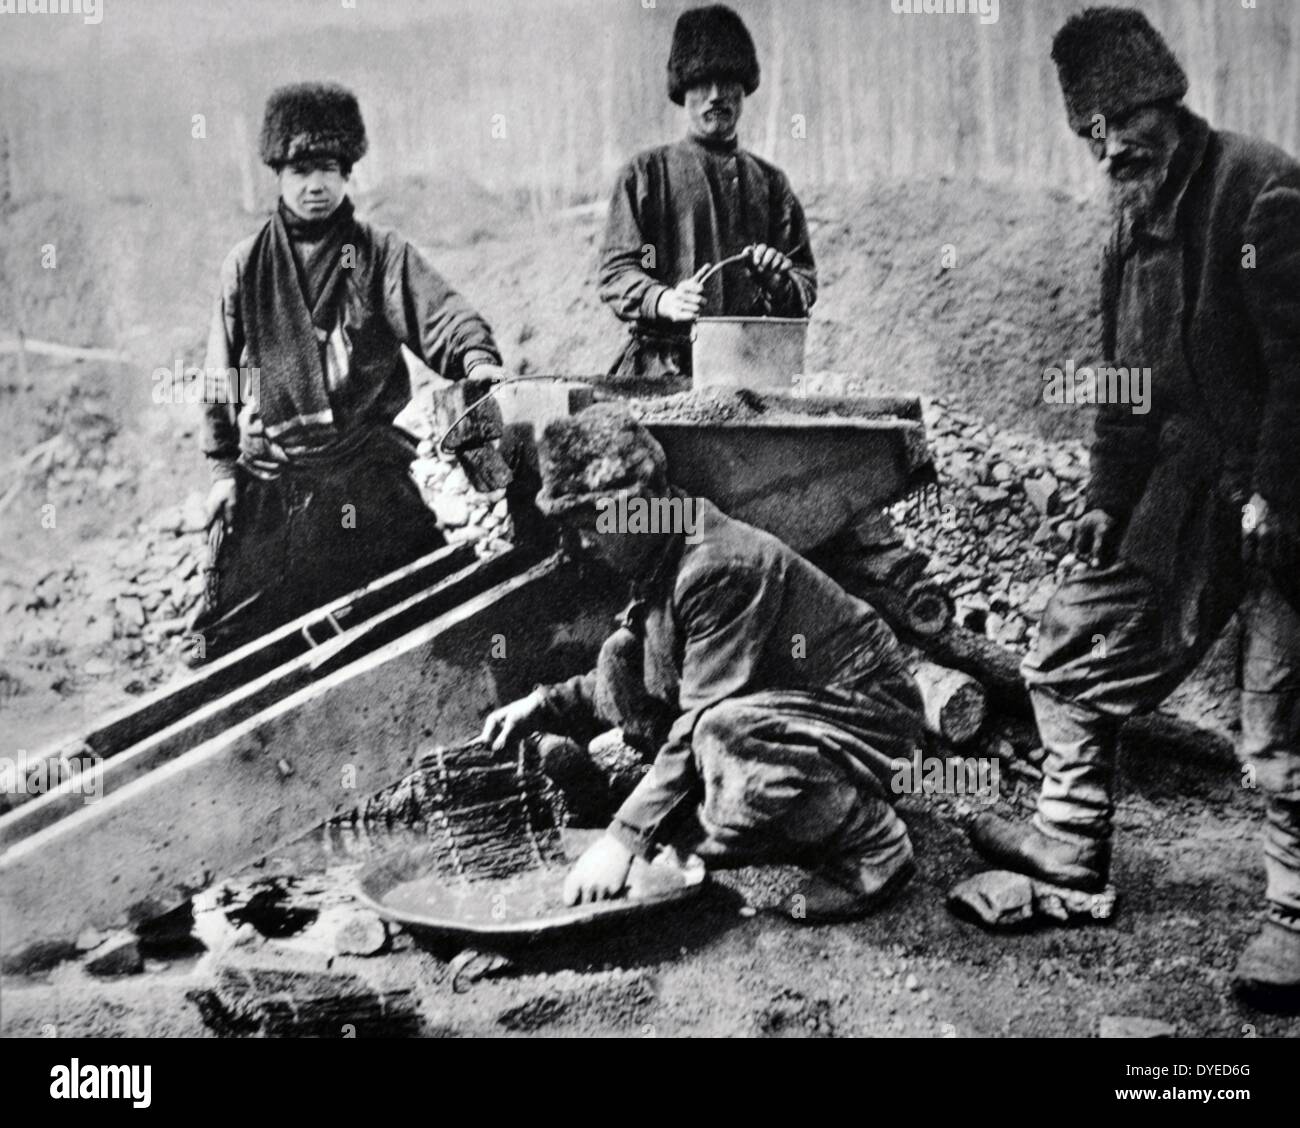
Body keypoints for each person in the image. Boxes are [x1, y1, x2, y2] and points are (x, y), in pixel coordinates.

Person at [963, 7, 1300, 1011]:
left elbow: (1299, 369)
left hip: (1285, 492)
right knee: (1069, 644)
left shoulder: (1261, 186)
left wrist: (1278, 493)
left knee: (1279, 712)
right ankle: (1067, 847)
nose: (1112, 146)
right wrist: (1106, 504)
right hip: (1185, 495)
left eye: (1124, 119)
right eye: (1091, 133)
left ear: (1166, 101)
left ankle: (1293, 913)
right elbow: (1121, 387)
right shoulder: (1124, 228)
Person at [481, 405, 925, 921]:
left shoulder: (719, 565)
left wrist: (623, 841)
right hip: (794, 707)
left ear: (638, 507)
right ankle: (725, 809)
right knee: (620, 655)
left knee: (720, 732)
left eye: (590, 524)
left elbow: (698, 718)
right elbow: (654, 668)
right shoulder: (663, 545)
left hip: (868, 713)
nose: (580, 542)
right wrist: (542, 705)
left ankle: (872, 842)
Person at [192, 82, 506, 662]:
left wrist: (476, 358)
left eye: (332, 169)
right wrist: (221, 471)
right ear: (278, 173)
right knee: (242, 647)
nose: (318, 186)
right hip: (277, 478)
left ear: (349, 172)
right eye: (303, 169)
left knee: (419, 613)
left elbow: (441, 314)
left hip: (364, 468)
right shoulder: (246, 267)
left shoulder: (379, 253)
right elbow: (220, 380)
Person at [597, 4, 817, 390]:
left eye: (728, 81)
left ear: (744, 89)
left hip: (751, 376)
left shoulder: (772, 185)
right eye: (702, 82)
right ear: (683, 91)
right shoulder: (647, 175)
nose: (716, 95)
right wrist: (663, 300)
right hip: (659, 376)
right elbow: (616, 274)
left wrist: (777, 279)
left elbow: (804, 285)